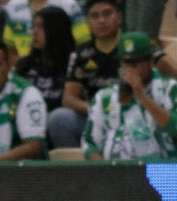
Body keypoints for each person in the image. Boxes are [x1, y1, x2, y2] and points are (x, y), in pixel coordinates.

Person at [82, 31, 177, 160]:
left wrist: (142, 97)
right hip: (117, 174)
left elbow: (175, 127)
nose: (131, 69)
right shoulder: (104, 97)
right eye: (126, 63)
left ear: (150, 61)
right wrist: (105, 172)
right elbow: (89, 143)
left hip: (161, 171)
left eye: (136, 63)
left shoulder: (171, 88)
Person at [48, 0, 122, 149]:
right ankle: (78, 170)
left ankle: (161, 171)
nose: (101, 20)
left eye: (107, 14)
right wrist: (97, 109)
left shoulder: (132, 46)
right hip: (94, 115)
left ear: (119, 17)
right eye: (94, 16)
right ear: (87, 22)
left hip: (130, 114)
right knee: (59, 119)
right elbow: (68, 99)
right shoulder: (80, 53)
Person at [14, 6, 74, 113]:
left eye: (41, 27)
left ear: (56, 29)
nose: (34, 32)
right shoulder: (25, 65)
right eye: (34, 26)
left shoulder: (74, 65)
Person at [1, 0, 87, 62]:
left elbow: (84, 43)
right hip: (24, 73)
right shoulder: (12, 6)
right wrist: (26, 68)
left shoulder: (69, 5)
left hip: (61, 71)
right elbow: (9, 49)